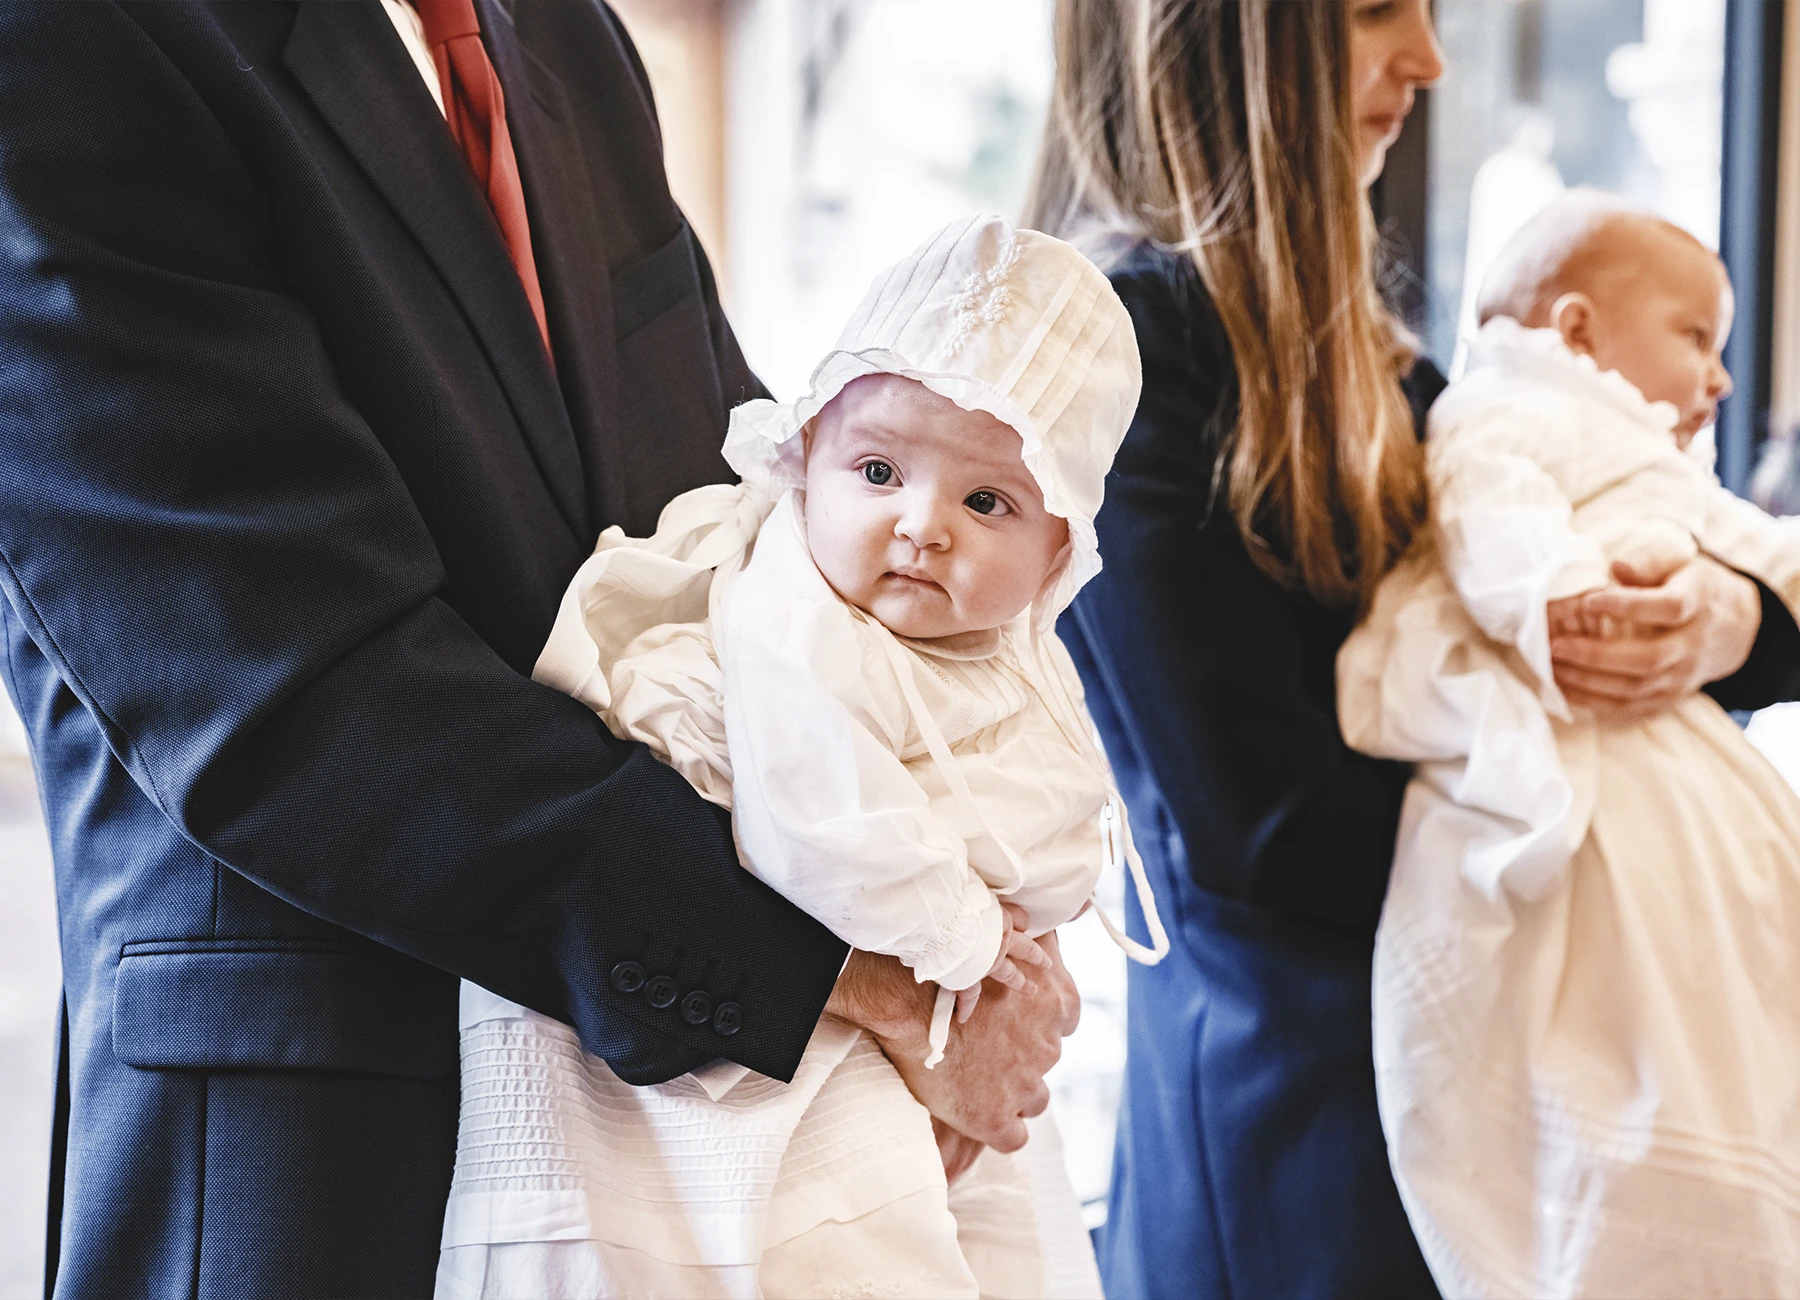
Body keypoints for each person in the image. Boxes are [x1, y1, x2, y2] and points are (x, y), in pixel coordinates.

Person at [0, 5, 1075, 1296]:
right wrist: (876, 980)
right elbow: (296, 696)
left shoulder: (566, 39)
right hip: (325, 1154)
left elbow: (749, 531)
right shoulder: (78, 37)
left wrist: (978, 894)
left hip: (701, 1151)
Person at [1022, 1, 1800, 1295]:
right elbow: (1266, 828)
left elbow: (1679, 584)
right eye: (1380, 10)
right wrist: (1627, 838)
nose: (1430, 61)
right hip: (1301, 1149)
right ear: (1233, 37)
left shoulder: (1379, 366)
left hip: (1459, 1106)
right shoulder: (1124, 348)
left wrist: (1723, 619)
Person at [438, 215, 1164, 1300]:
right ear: (807, 455)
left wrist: (1029, 934)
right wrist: (970, 952)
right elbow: (815, 820)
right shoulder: (793, 616)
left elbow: (1048, 808)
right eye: (878, 470)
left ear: (1060, 547)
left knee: (1004, 1242)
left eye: (987, 501)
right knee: (845, 1248)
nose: (922, 524)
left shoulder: (1009, 649)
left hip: (920, 977)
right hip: (746, 990)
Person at [1341, 192, 1800, 1297]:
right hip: (1562, 712)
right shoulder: (1509, 406)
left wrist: (1752, 599)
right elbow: (1486, 509)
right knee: (1610, 984)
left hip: (1669, 734)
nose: (1719, 380)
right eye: (1697, 338)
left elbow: (1755, 552)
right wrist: (1556, 595)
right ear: (1579, 330)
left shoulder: (1649, 463)